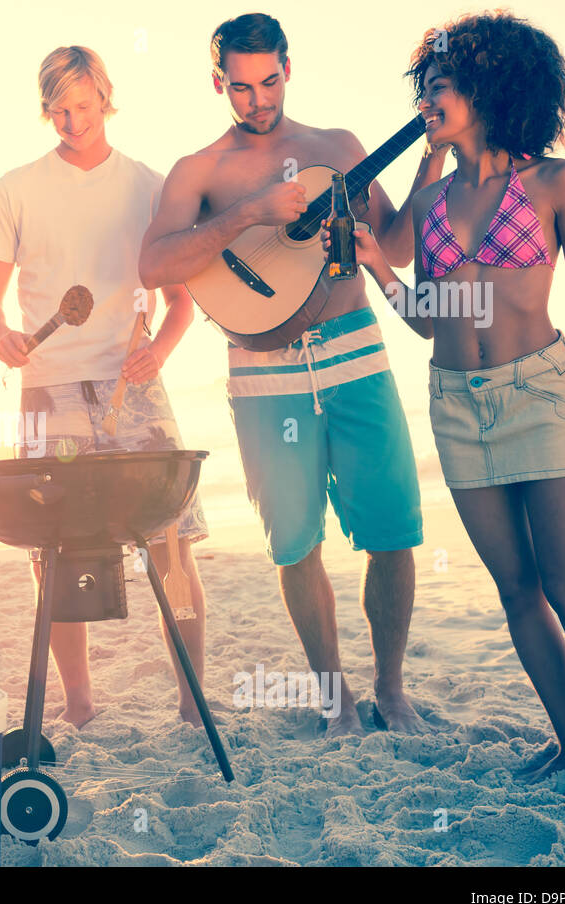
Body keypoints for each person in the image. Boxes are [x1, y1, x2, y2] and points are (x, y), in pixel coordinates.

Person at [333, 12, 565, 787]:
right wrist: (379, 271)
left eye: (446, 84)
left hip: (542, 397)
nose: (430, 96)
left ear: (492, 88)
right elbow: (431, 320)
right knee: (516, 588)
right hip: (457, 405)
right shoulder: (429, 205)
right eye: (425, 85)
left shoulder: (556, 182)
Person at [139, 14, 448, 735]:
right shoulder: (201, 171)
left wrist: (429, 161)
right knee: (294, 543)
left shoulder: (337, 148)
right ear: (219, 82)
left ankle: (392, 690)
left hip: (356, 352)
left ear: (288, 67)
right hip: (262, 373)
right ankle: (333, 698)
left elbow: (396, 247)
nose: (258, 99)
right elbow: (154, 264)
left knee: (393, 530)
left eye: (269, 80)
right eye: (241, 87)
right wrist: (250, 212)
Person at [0, 46, 208, 727]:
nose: (72, 122)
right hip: (48, 389)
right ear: (45, 107)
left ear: (107, 97)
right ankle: (79, 703)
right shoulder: (15, 189)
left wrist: (158, 353)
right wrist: (3, 338)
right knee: (55, 549)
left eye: (83, 106)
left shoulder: (150, 186)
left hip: (130, 383)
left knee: (172, 543)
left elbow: (181, 303)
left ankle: (193, 703)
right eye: (58, 109)